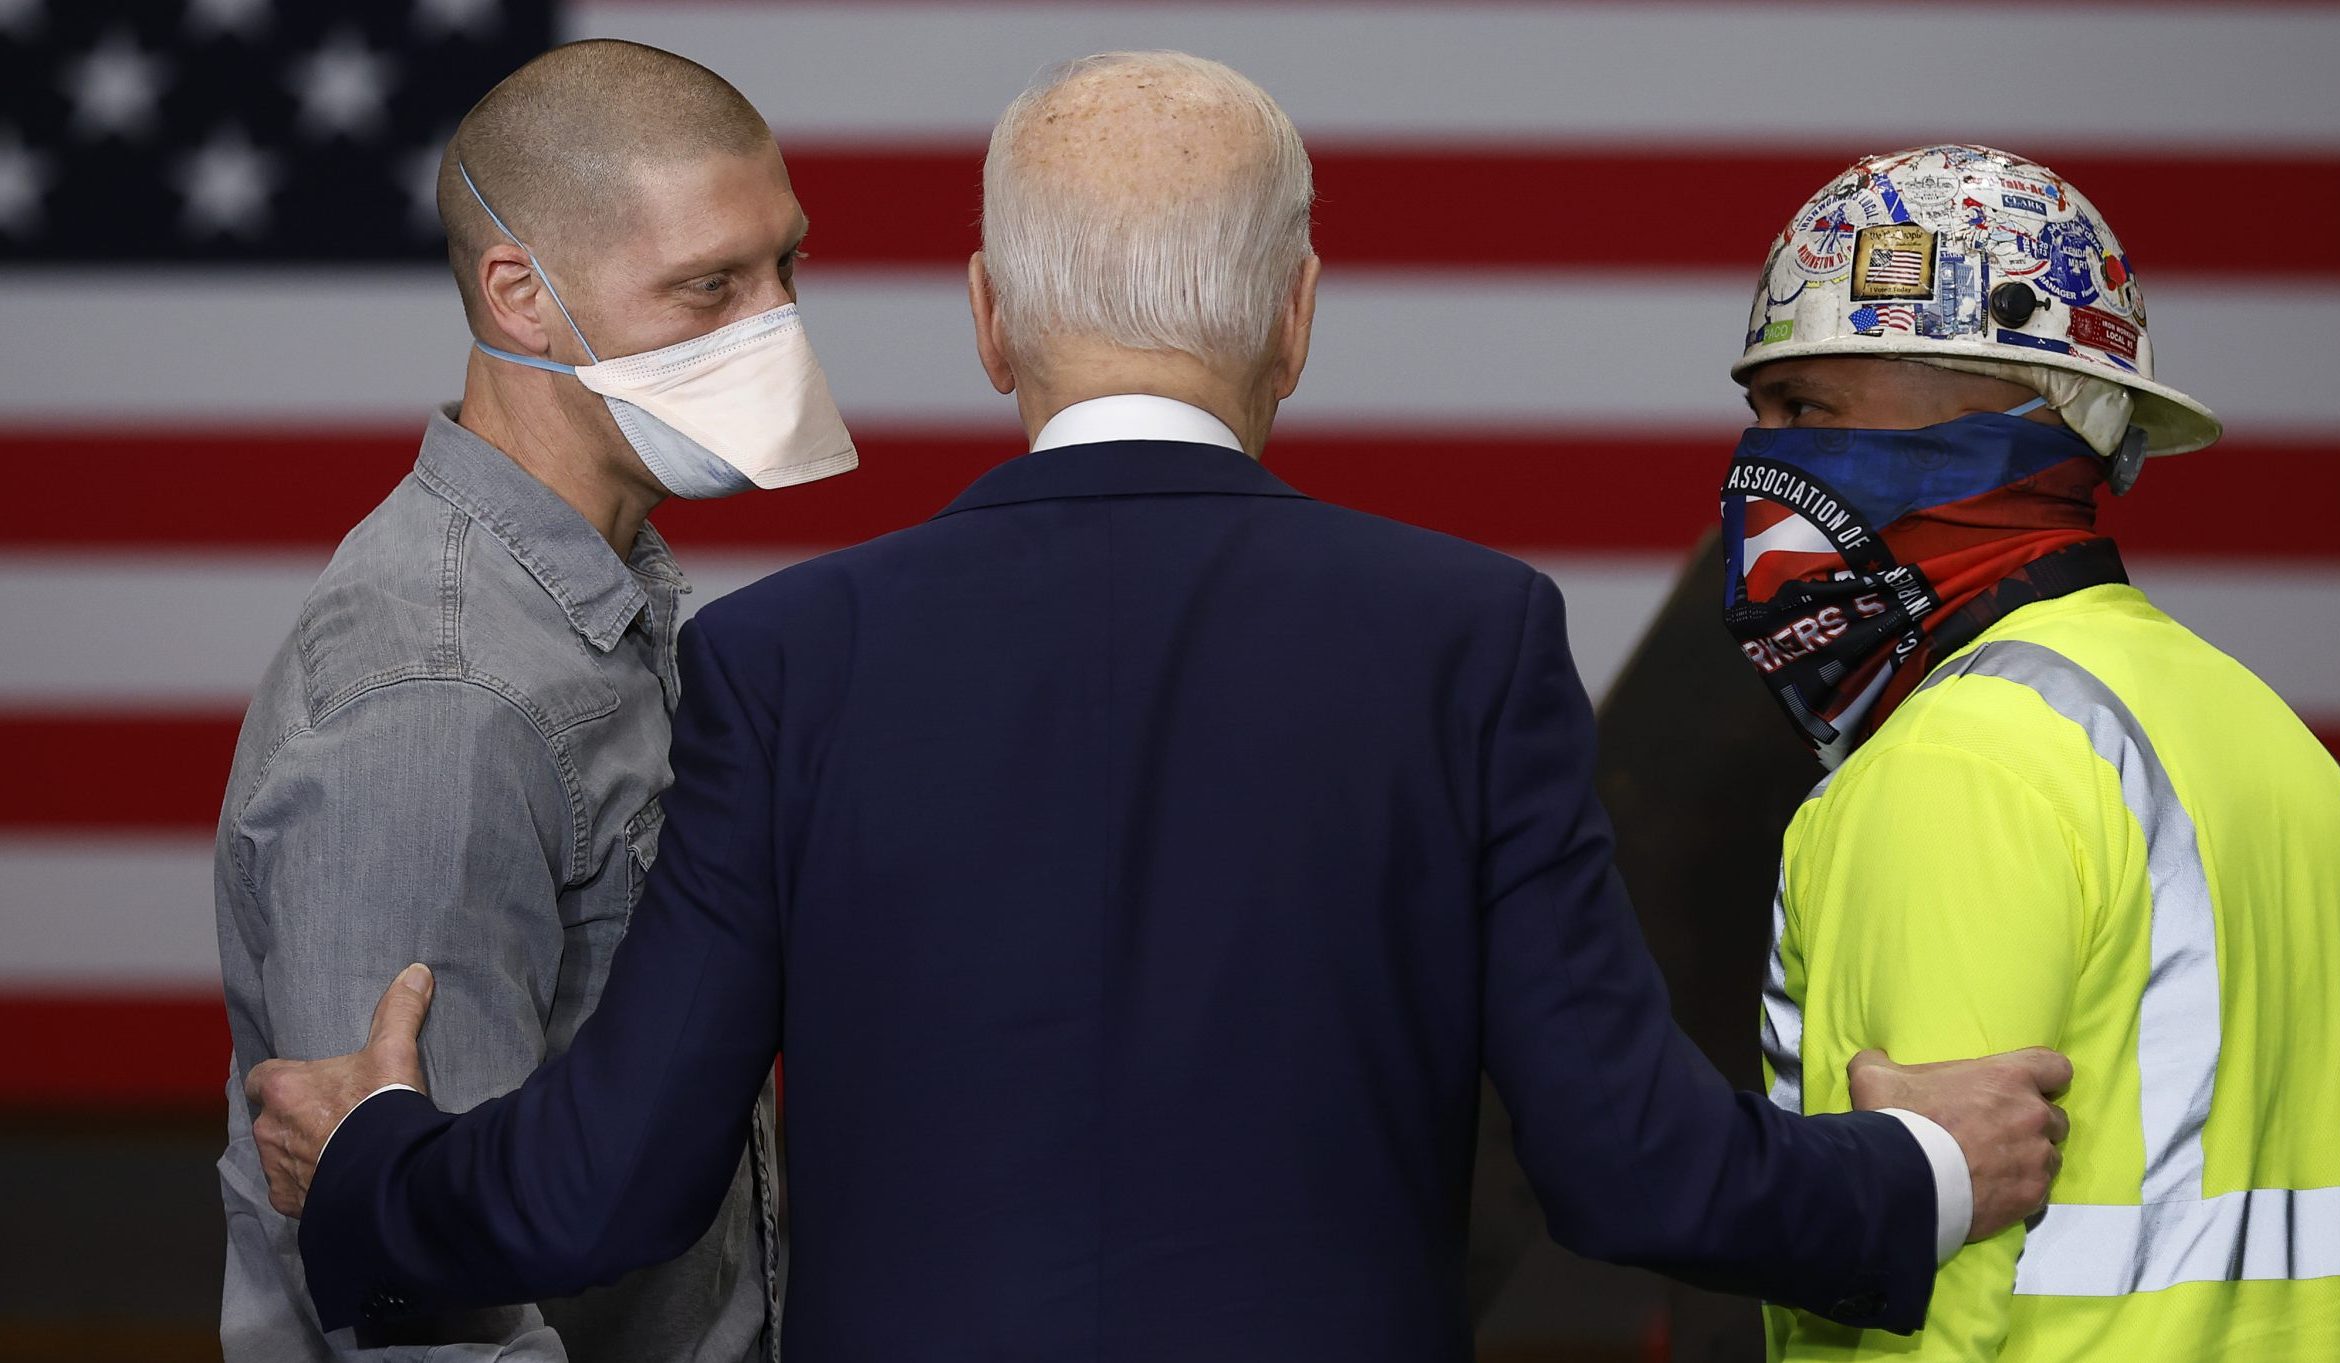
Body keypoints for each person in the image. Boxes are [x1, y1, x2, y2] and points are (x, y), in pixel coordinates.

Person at [242, 57, 2070, 1362]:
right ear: (1295, 316)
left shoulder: (789, 659)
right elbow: (1629, 1161)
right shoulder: (1468, 636)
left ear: (986, 317)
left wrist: (380, 1169)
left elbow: (606, 1185)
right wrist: (1921, 1168)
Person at [1720, 145, 2340, 1359]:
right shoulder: (2287, 754)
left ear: (2023, 419)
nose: (1765, 463)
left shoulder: (1950, 764)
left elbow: (1913, 1290)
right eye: (1761, 412)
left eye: (1810, 411)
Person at [213, 39, 855, 1361]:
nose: (771, 324)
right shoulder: (440, 695)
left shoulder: (598, 600)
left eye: (783, 265)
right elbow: (416, 1290)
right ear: (521, 293)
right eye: (708, 287)